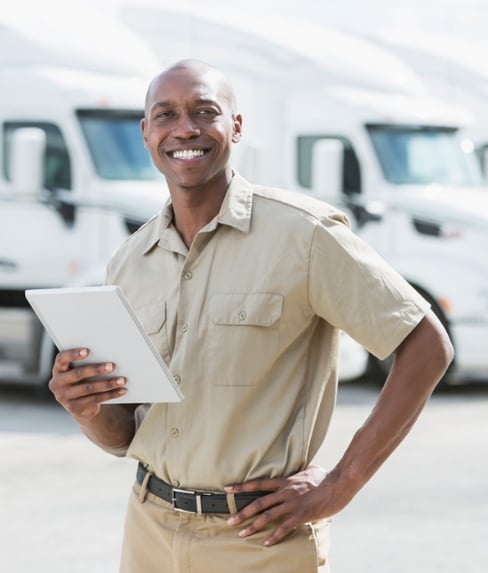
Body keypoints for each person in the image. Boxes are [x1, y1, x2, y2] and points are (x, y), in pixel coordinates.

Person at [48, 59, 454, 572]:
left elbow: (426, 345)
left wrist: (339, 485)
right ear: (146, 133)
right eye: (166, 115)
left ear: (236, 126)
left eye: (204, 111)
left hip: (259, 541)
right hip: (149, 531)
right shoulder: (129, 262)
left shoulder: (303, 235)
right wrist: (83, 407)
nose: (185, 129)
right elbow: (124, 434)